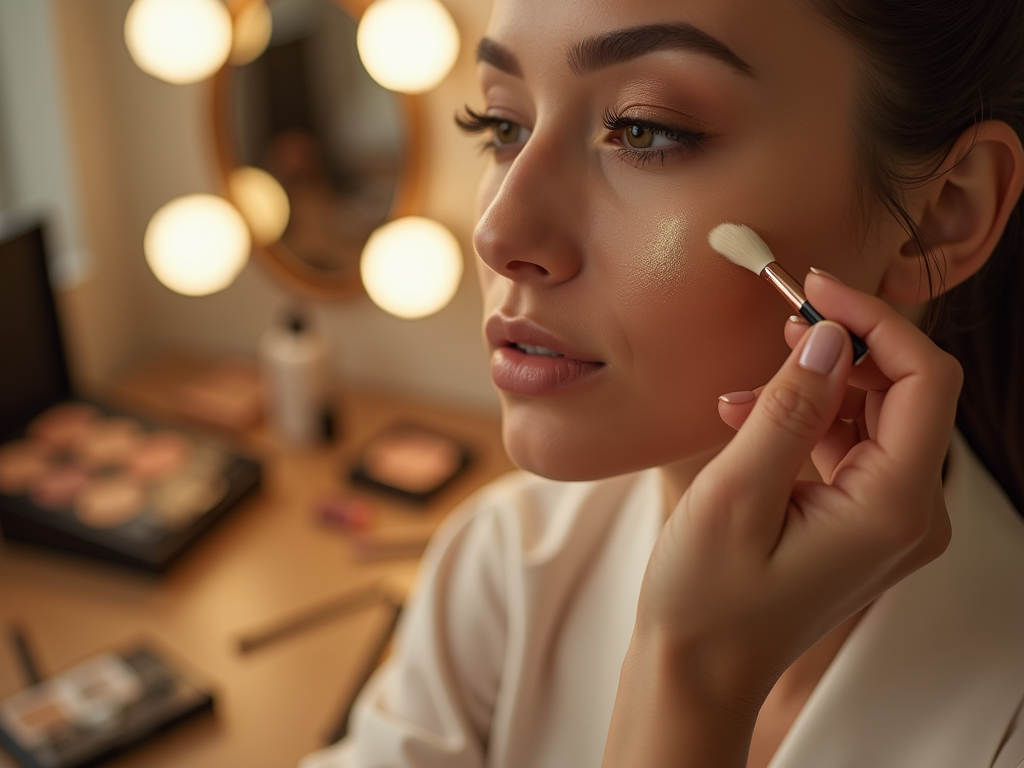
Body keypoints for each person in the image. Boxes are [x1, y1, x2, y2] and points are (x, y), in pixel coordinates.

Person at [300, 0, 1024, 765]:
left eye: (645, 130)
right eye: (503, 126)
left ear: (947, 210)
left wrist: (693, 671)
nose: (498, 232)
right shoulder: (505, 562)